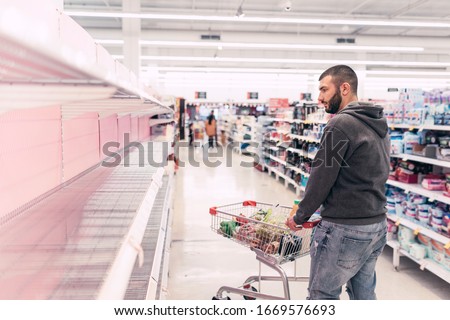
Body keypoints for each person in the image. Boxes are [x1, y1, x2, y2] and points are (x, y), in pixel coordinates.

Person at [286, 65, 390, 300]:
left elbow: (321, 177)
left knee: (322, 297)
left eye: (324, 89)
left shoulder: (340, 124)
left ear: (344, 88)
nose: (319, 97)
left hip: (345, 228)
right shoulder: (378, 123)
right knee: (363, 295)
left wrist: (300, 216)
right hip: (375, 225)